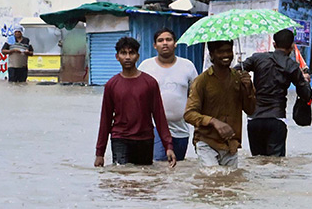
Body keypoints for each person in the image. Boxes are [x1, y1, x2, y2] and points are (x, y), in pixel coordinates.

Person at [94, 36, 176, 168]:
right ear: (117, 57)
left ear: (137, 56)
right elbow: (105, 119)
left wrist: (168, 145)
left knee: (144, 181)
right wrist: (100, 153)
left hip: (145, 139)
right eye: (123, 53)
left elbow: (159, 116)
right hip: (120, 139)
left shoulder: (150, 83)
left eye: (131, 53)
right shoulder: (111, 85)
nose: (127, 57)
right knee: (122, 179)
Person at [184, 40, 256, 168]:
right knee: (212, 179)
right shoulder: (201, 81)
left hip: (231, 144)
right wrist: (213, 121)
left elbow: (250, 110)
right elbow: (189, 114)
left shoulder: (239, 79)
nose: (226, 55)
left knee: (230, 184)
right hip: (206, 142)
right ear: (211, 55)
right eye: (221, 52)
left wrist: (248, 88)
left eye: (229, 51)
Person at [239, 29, 311, 157]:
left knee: (257, 162)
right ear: (292, 47)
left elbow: (237, 70)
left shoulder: (257, 58)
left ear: (274, 44)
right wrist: (305, 81)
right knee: (275, 165)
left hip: (254, 119)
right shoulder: (292, 66)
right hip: (276, 119)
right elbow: (306, 94)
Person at [138, 28, 198, 161]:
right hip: (154, 128)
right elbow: (137, 97)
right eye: (160, 40)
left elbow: (196, 96)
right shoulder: (145, 67)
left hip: (181, 129)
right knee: (160, 164)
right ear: (155, 45)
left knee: (177, 167)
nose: (165, 43)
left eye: (168, 40)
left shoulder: (187, 66)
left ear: (175, 43)